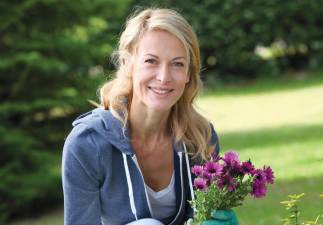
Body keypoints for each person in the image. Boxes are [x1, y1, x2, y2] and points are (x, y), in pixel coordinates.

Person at [62, 8, 237, 225]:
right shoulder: (87, 143)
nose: (164, 77)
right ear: (127, 65)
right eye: (151, 61)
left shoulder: (201, 137)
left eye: (177, 64)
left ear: (188, 75)